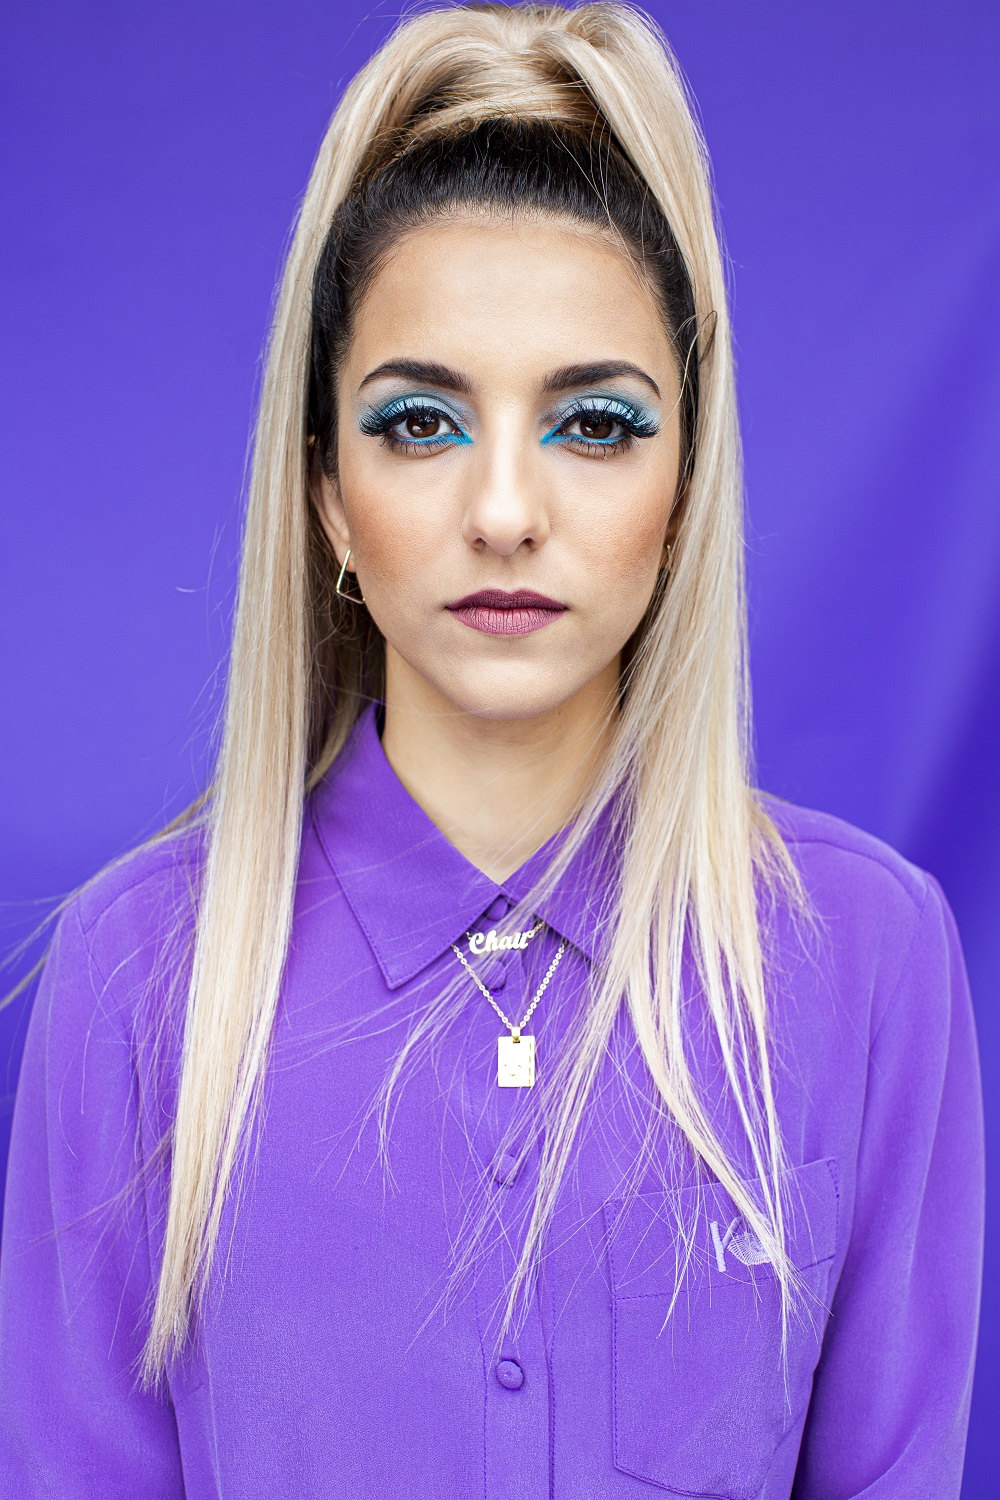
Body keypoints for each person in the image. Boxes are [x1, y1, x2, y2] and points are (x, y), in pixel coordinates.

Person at [0, 4, 984, 1496]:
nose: (507, 512)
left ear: (687, 483)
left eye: (594, 423)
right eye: (420, 422)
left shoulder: (870, 959)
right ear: (326, 495)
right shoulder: (133, 982)